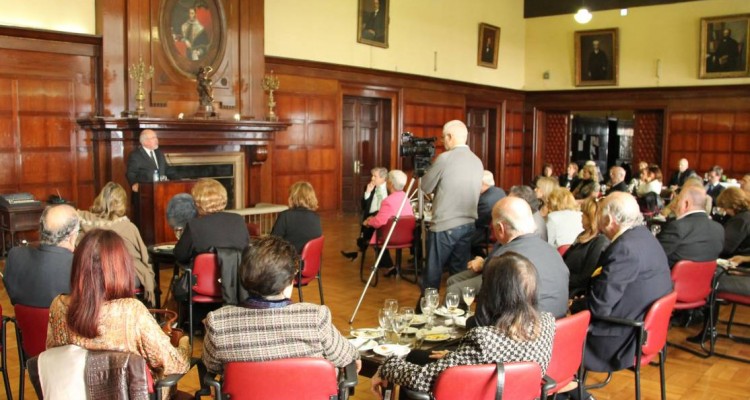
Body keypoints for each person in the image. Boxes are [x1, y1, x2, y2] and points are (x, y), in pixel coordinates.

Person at [371, 253, 555, 398]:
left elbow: (423, 379)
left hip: (476, 394)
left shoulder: (484, 339)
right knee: (419, 355)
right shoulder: (547, 323)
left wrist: (387, 365)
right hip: (516, 394)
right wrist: (458, 357)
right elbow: (509, 357)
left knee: (412, 364)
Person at [46, 229, 191, 383]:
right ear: (122, 268)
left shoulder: (58, 305)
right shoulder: (131, 311)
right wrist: (184, 343)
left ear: (78, 267)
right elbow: (175, 364)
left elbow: (54, 358)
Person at [202, 236, 360, 374]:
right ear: (290, 280)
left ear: (243, 276)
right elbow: (348, 357)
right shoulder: (315, 317)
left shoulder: (218, 322)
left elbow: (211, 366)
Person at [583, 192, 672, 375]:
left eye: (599, 214)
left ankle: (576, 394)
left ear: (608, 220)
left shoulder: (624, 248)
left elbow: (599, 307)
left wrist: (574, 305)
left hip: (622, 339)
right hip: (644, 331)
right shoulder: (646, 237)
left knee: (556, 335)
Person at [446, 197, 569, 318]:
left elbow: (482, 318)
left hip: (525, 331)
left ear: (500, 228)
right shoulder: (553, 252)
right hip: (559, 328)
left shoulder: (503, 260)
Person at [420, 120, 484, 292]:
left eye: (443, 138)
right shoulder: (477, 161)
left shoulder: (445, 158)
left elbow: (425, 186)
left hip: (445, 225)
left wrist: (424, 171)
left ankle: (424, 312)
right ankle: (455, 311)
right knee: (458, 274)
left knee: (433, 274)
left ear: (450, 137)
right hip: (469, 224)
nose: (442, 142)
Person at [77, 182, 157, 306]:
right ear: (121, 203)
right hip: (126, 276)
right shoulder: (129, 228)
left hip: (96, 277)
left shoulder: (86, 224)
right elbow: (144, 257)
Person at [3, 204, 79, 308]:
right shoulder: (80, 266)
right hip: (63, 323)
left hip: (24, 323)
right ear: (72, 236)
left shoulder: (14, 256)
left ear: (41, 229)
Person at [174, 178, 250, 264]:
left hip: (204, 277)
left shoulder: (194, 225)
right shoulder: (238, 220)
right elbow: (246, 250)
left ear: (197, 202)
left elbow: (180, 255)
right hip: (237, 276)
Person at [362, 169, 414, 276]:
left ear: (390, 184)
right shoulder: (406, 198)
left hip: (390, 238)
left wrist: (368, 221)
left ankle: (387, 265)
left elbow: (378, 222)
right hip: (407, 237)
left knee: (373, 230)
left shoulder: (387, 201)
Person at [656, 186, 724, 268]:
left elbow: (654, 255)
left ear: (686, 204)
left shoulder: (678, 227)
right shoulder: (719, 228)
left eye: (677, 200)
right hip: (705, 280)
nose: (674, 205)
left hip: (671, 278)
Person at [564, 198, 609, 298]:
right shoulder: (583, 235)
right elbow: (565, 258)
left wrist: (562, 279)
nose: (581, 215)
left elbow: (586, 277)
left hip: (575, 291)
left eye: (584, 213)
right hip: (565, 281)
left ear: (592, 218)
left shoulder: (600, 242)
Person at [341, 167, 388, 261]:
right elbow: (363, 206)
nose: (372, 179)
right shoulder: (370, 187)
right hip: (370, 218)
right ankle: (360, 253)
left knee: (370, 235)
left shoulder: (389, 190)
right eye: (372, 176)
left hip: (383, 220)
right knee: (369, 231)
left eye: (375, 176)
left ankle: (359, 253)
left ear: (383, 178)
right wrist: (367, 192)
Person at [271, 181, 323, 254]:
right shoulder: (316, 217)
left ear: (292, 197)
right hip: (311, 263)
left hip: (290, 262)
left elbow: (273, 242)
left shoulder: (285, 216)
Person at [471, 170, 506, 257]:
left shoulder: (485, 200)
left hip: (486, 232)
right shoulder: (500, 191)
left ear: (482, 183)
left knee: (460, 236)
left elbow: (476, 221)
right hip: (495, 228)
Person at [717, 187, 750, 258]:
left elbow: (725, 247)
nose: (725, 211)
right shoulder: (746, 215)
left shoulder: (740, 220)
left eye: (725, 208)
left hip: (738, 263)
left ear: (734, 205)